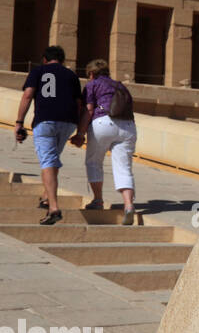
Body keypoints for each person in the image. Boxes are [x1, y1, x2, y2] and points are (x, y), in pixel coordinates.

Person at [13, 45, 84, 225]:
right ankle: (46, 196)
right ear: (62, 60)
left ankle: (53, 207)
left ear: (44, 59)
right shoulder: (72, 75)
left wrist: (19, 122)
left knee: (47, 161)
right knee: (52, 159)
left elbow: (28, 95)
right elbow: (79, 104)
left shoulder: (38, 71)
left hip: (45, 121)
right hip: (68, 122)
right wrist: (79, 130)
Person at [77, 59, 138, 226]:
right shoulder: (120, 86)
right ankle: (128, 205)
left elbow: (88, 110)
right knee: (123, 167)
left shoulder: (93, 84)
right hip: (128, 126)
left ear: (91, 74)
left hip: (103, 123)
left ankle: (98, 200)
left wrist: (80, 133)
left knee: (94, 162)